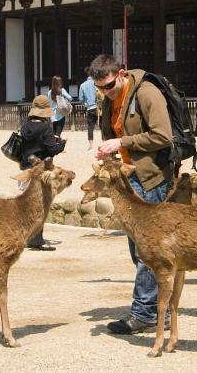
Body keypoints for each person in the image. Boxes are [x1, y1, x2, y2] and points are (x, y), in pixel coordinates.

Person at [90, 54, 174, 335]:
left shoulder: (147, 93)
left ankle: (146, 314)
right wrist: (107, 149)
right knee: (137, 250)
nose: (105, 92)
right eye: (99, 88)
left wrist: (122, 141)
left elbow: (164, 136)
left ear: (122, 74)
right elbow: (113, 132)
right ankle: (156, 307)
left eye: (109, 86)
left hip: (150, 179)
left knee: (147, 251)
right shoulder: (109, 99)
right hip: (127, 180)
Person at [20, 95, 66, 251]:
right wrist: (62, 143)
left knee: (26, 204)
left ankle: (27, 237)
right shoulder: (46, 128)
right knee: (40, 205)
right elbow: (52, 149)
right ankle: (37, 240)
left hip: (26, 169)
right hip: (41, 170)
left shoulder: (25, 126)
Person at [79, 67, 98, 150]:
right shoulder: (96, 82)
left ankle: (91, 146)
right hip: (98, 107)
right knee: (103, 126)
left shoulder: (82, 85)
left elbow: (80, 99)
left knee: (90, 127)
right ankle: (105, 143)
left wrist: (85, 103)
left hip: (89, 108)